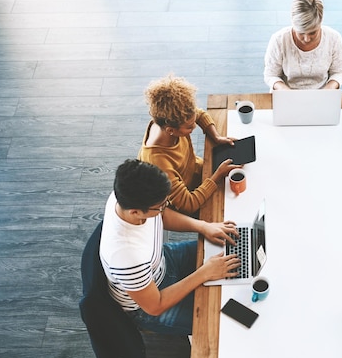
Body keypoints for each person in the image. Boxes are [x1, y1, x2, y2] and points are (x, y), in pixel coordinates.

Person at [99, 159, 241, 335]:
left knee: (230, 249)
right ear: (135, 212)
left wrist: (203, 226)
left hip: (162, 261)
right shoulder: (126, 257)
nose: (163, 208)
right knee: (222, 320)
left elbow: (162, 215)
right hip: (150, 302)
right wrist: (205, 272)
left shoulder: (123, 196)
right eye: (159, 207)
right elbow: (155, 306)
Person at [138, 74, 241, 215]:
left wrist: (216, 137)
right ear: (171, 130)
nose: (193, 128)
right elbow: (188, 204)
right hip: (189, 197)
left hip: (198, 171)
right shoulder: (158, 163)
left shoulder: (169, 120)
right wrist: (217, 176)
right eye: (189, 127)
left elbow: (198, 114)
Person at [264, 0, 342, 90]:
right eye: (301, 33)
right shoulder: (279, 40)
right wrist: (284, 90)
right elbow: (271, 75)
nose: (306, 39)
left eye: (312, 33)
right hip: (287, 93)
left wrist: (328, 89)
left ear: (321, 22)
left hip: (322, 93)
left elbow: (339, 72)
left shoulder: (334, 38)